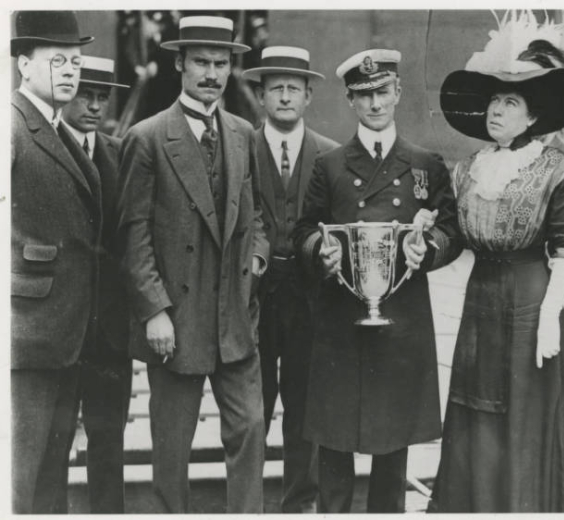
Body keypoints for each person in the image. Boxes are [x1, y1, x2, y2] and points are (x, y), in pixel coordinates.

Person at [429, 11, 564, 512]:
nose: (497, 109)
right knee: (475, 410)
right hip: (480, 300)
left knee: (525, 416)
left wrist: (552, 314)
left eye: (510, 101)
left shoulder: (557, 171)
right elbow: (454, 237)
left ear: (532, 117)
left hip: (532, 303)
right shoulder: (469, 169)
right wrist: (423, 240)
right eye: (493, 100)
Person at [293, 48, 461, 513]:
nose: (375, 104)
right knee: (334, 443)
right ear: (350, 100)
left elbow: (452, 230)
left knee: (393, 447)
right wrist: (319, 254)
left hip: (402, 319)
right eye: (363, 95)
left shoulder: (425, 163)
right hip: (341, 319)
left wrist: (428, 250)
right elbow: (305, 228)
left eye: (382, 92)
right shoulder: (330, 165)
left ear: (398, 93)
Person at [117, 16, 269, 513]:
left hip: (234, 319)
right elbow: (133, 234)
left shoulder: (244, 133)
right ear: (179, 63)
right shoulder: (148, 136)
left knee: (250, 431)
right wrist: (154, 309)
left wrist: (259, 259)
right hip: (176, 322)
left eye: (221, 64)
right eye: (201, 62)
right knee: (171, 449)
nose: (211, 74)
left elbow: (257, 217)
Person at [243, 45, 339, 513]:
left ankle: (298, 505)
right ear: (261, 96)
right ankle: (249, 504)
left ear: (308, 96)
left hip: (310, 300)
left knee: (304, 410)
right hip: (253, 300)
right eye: (275, 88)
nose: (284, 97)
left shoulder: (330, 155)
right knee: (250, 409)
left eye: (293, 89)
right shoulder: (241, 147)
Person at [10, 11, 98, 514]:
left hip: (62, 337)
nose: (70, 71)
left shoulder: (55, 128)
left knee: (48, 485)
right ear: (24, 64)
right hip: (28, 337)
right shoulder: (15, 127)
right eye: (57, 60)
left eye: (76, 62)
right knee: (19, 486)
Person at [59, 55, 132, 514]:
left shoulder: (117, 153)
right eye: (86, 94)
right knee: (53, 445)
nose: (94, 105)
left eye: (102, 97)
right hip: (59, 325)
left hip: (109, 329)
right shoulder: (41, 146)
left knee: (109, 445)